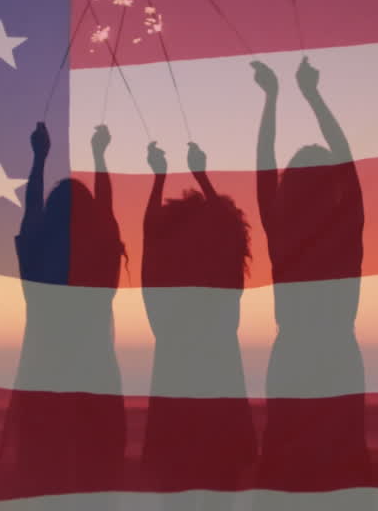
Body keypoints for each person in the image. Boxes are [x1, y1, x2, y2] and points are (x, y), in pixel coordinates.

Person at [251, 57, 370, 506]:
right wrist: (312, 94)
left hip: (293, 356)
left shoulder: (282, 232)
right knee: (343, 470)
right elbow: (349, 168)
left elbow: (263, 166)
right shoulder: (344, 231)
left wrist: (272, 98)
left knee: (286, 470)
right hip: (338, 354)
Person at [0, 123, 126, 498]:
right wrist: (100, 156)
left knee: (41, 475)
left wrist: (39, 157)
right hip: (97, 375)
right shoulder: (102, 262)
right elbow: (106, 211)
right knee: (97, 478)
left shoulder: (36, 263)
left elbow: (31, 210)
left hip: (43, 376)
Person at [140, 141, 257, 507]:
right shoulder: (223, 290)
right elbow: (230, 235)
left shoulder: (166, 298)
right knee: (221, 490)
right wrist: (201, 176)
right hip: (221, 392)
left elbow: (150, 238)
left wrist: (158, 180)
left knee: (176, 493)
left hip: (175, 396)